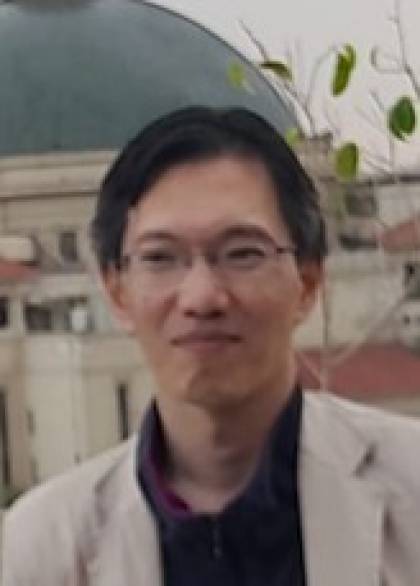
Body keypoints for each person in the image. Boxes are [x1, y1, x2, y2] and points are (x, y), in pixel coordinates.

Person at [2, 106, 420, 586]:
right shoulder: (42, 547)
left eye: (242, 253)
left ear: (307, 282)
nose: (202, 297)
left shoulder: (410, 492)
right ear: (116, 291)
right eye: (161, 257)